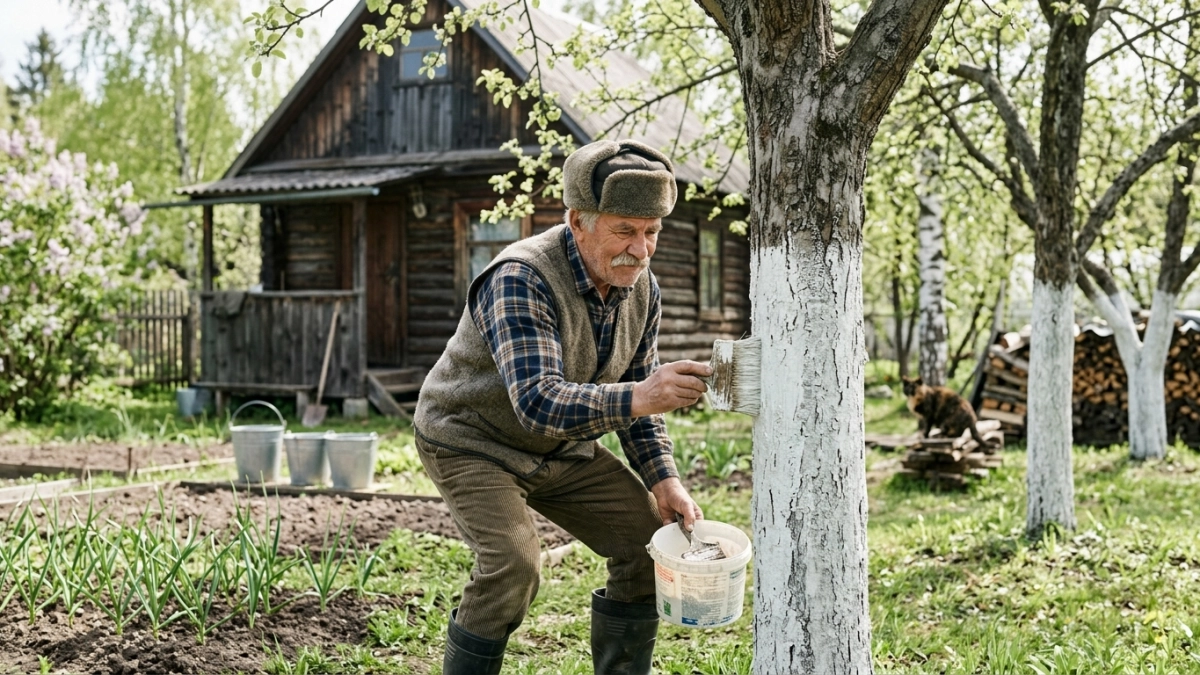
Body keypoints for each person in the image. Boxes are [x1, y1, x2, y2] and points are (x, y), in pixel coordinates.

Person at [413, 139, 713, 675]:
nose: (641, 250)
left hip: (562, 446)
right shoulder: (521, 277)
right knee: (512, 567)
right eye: (624, 231)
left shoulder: (642, 288)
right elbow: (537, 401)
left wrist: (664, 480)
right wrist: (643, 395)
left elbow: (635, 397)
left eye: (651, 233)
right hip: (474, 440)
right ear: (578, 222)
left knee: (651, 546)